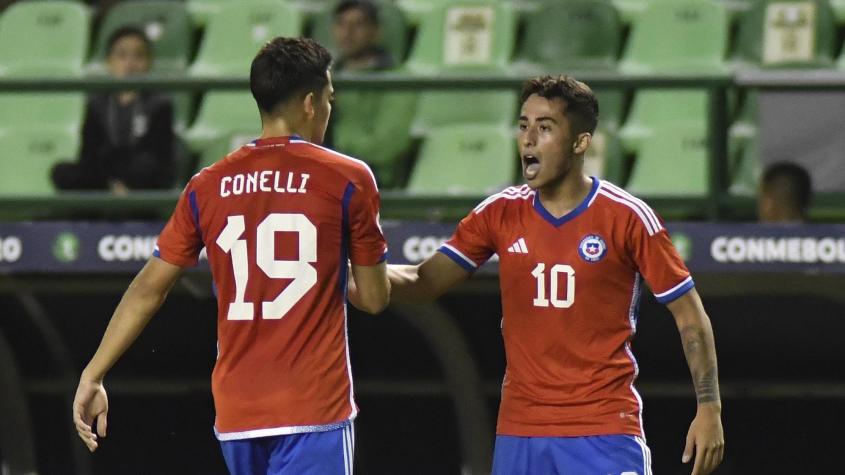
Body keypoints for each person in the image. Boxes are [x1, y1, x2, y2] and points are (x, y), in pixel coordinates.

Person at [362, 75, 725, 474]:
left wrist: (709, 406)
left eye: (545, 127)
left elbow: (690, 316)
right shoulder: (499, 212)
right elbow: (423, 281)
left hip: (603, 428)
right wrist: (343, 273)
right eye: (523, 125)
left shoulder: (627, 217)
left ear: (580, 142)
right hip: (521, 432)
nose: (528, 139)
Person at [72, 37, 390, 475]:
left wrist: (95, 373)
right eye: (330, 99)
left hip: (238, 415)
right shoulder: (349, 178)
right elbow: (374, 298)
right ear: (312, 103)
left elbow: (149, 288)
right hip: (314, 407)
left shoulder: (207, 185)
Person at [52, 26, 174, 193]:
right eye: (122, 56)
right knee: (62, 172)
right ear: (109, 62)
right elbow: (88, 154)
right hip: (105, 177)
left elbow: (158, 155)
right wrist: (110, 182)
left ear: (149, 62)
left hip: (139, 177)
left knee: (146, 166)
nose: (130, 65)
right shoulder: (97, 104)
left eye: (139, 56)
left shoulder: (160, 104)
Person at [328, 0, 415, 188]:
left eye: (358, 24)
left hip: (371, 180)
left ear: (375, 31)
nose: (348, 32)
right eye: (341, 23)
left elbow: (387, 145)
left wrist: (335, 152)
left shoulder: (397, 80)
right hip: (326, 174)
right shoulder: (323, 78)